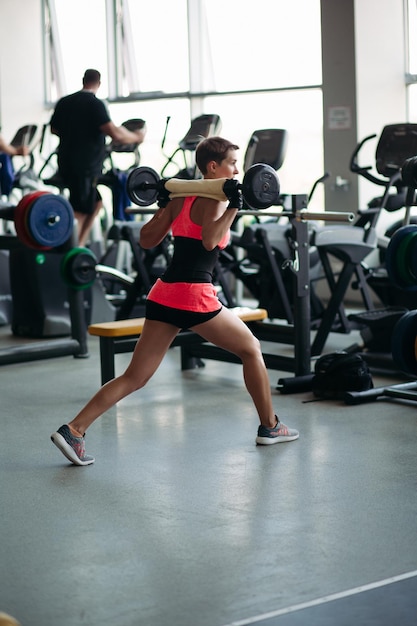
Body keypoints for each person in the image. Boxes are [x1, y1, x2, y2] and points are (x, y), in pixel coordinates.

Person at [50, 136, 299, 466]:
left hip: (165, 292)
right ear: (214, 167)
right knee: (251, 348)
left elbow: (146, 239)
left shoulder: (181, 194)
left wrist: (164, 207)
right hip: (194, 295)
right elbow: (210, 241)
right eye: (233, 163)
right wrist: (237, 207)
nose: (238, 170)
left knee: (135, 377)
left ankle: (74, 430)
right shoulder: (218, 200)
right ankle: (270, 427)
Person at [50, 68, 146, 246]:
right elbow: (115, 133)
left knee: (96, 203)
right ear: (99, 83)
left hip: (65, 161)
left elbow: (54, 129)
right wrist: (137, 137)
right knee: (80, 210)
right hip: (85, 166)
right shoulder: (95, 104)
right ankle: (65, 248)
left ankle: (77, 245)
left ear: (83, 80)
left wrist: (73, 134)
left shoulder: (64, 102)